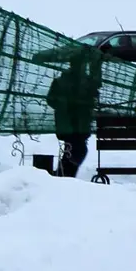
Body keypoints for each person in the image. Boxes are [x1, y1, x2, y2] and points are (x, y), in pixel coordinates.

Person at [46, 50, 103, 178]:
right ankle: (64, 176)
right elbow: (51, 99)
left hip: (77, 124)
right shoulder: (63, 81)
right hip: (71, 124)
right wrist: (66, 106)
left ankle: (63, 175)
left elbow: (94, 93)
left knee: (73, 150)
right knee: (76, 151)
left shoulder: (84, 81)